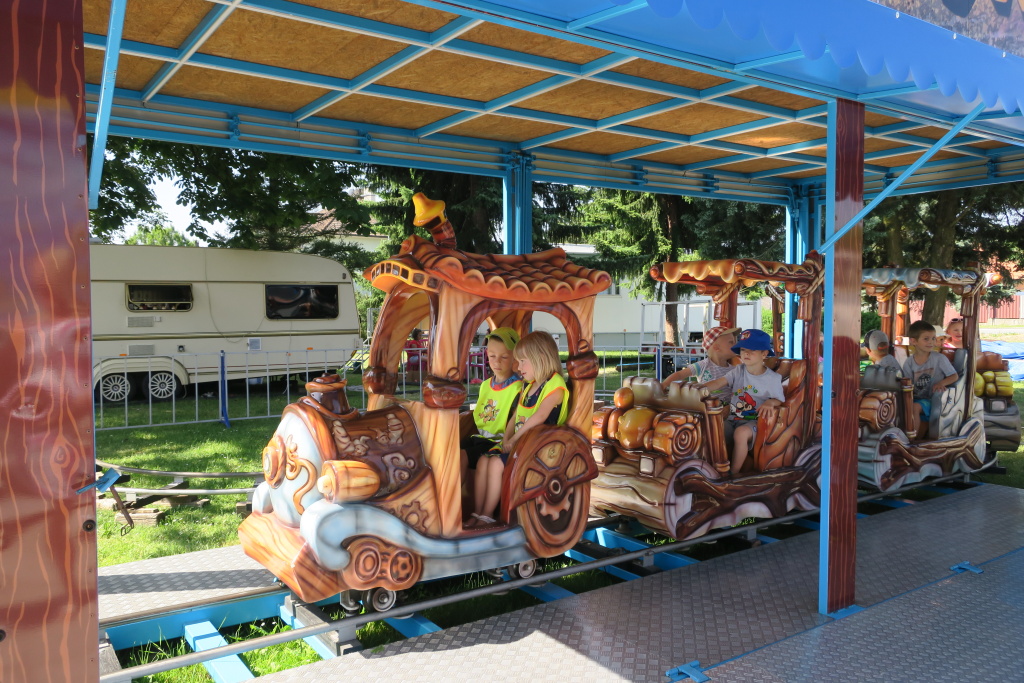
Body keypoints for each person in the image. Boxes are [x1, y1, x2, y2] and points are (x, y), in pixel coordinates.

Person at [469, 331, 568, 527]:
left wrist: (514, 440)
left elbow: (540, 416)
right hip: (520, 444)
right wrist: (507, 439)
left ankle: (488, 515)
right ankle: (478, 513)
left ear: (540, 358)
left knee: (495, 464)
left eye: (523, 361)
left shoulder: (555, 385)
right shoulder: (528, 386)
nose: (519, 367)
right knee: (483, 461)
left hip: (538, 447)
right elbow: (515, 417)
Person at [698, 329, 784, 476]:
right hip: (733, 419)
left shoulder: (772, 379)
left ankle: (733, 473)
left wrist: (771, 403)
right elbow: (719, 382)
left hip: (754, 423)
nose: (746, 353)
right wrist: (698, 389)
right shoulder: (738, 370)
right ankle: (709, 467)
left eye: (752, 350)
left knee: (741, 433)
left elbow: (779, 399)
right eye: (743, 349)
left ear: (764, 354)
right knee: (712, 427)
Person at [459, 328, 522, 494]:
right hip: (478, 437)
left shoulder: (518, 388)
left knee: (462, 456)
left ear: (515, 358)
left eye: (504, 357)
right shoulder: (485, 385)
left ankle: (451, 501)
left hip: (497, 442)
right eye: (492, 356)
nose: (497, 362)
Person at [903, 319, 959, 431]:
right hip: (916, 399)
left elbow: (954, 376)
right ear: (914, 341)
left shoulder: (939, 359)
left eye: (933, 338)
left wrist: (941, 383)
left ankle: (911, 438)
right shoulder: (909, 362)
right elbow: (907, 382)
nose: (931, 342)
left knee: (914, 407)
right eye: (926, 339)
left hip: (933, 399)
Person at [661, 326, 739, 404]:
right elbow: (680, 374)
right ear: (716, 347)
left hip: (727, 407)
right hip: (705, 406)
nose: (736, 345)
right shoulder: (703, 365)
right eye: (731, 342)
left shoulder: (734, 370)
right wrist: (664, 385)